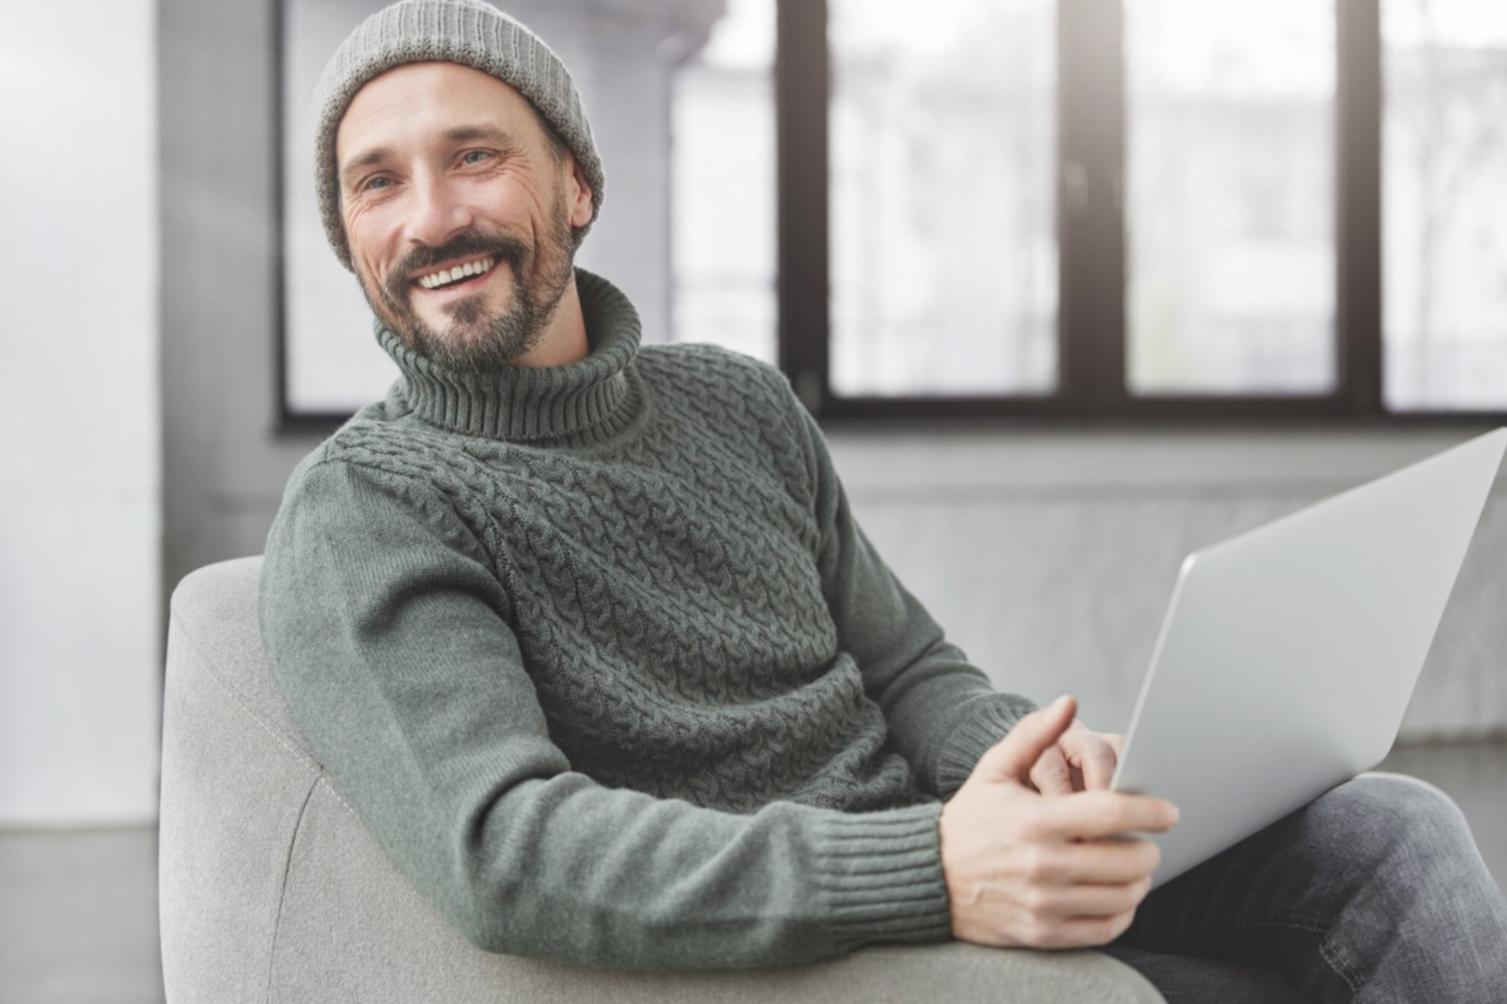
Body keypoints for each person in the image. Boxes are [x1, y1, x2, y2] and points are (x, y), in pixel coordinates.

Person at [260, 0, 1507, 998]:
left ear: (576, 186)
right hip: (822, 933)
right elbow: (510, 851)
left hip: (947, 850)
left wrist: (1029, 760)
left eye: (473, 157)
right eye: (377, 183)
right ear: (349, 237)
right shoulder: (372, 506)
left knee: (1392, 833)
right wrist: (933, 869)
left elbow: (910, 668)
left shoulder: (737, 403)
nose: (430, 216)